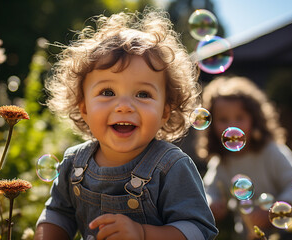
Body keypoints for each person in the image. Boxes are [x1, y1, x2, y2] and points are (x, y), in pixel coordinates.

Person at [34, 8, 218, 240]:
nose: (124, 106)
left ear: (164, 112)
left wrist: (142, 233)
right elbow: (57, 214)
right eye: (107, 91)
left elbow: (199, 230)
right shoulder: (74, 164)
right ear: (84, 108)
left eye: (142, 94)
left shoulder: (172, 167)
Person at [198, 76, 292, 239]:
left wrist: (274, 210)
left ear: (255, 119)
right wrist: (212, 203)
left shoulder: (271, 151)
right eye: (223, 119)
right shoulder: (221, 162)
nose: (232, 125)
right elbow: (209, 192)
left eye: (239, 118)